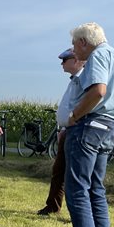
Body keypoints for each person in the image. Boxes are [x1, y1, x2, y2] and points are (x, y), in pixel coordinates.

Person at [53, 22, 114, 227]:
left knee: (77, 186)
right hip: (109, 128)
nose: (73, 51)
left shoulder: (97, 56)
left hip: (87, 127)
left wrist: (75, 116)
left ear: (83, 42)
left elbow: (98, 91)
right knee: (95, 187)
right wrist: (110, 119)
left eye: (73, 45)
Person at [36, 49, 86, 216]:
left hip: (77, 131)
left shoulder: (85, 79)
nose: (62, 63)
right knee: (59, 171)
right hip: (68, 130)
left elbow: (82, 107)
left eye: (65, 60)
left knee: (74, 175)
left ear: (76, 59)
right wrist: (63, 128)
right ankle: (53, 205)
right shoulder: (75, 80)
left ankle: (78, 214)